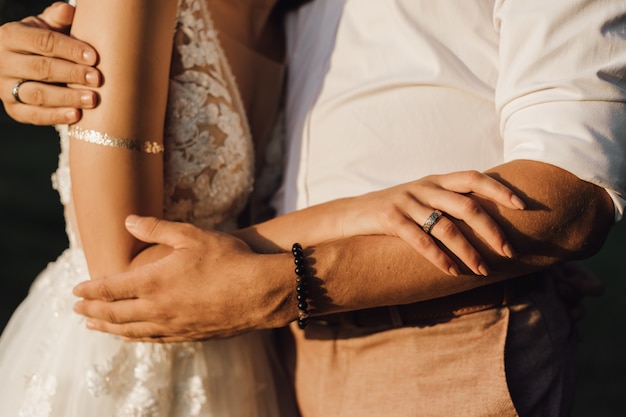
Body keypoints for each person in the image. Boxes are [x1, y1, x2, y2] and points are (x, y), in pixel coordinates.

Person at [1, 0, 624, 416]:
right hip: (163, 350)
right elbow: (124, 268)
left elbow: (573, 187)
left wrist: (535, 242)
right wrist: (361, 211)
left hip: (432, 333)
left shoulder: (274, 17)